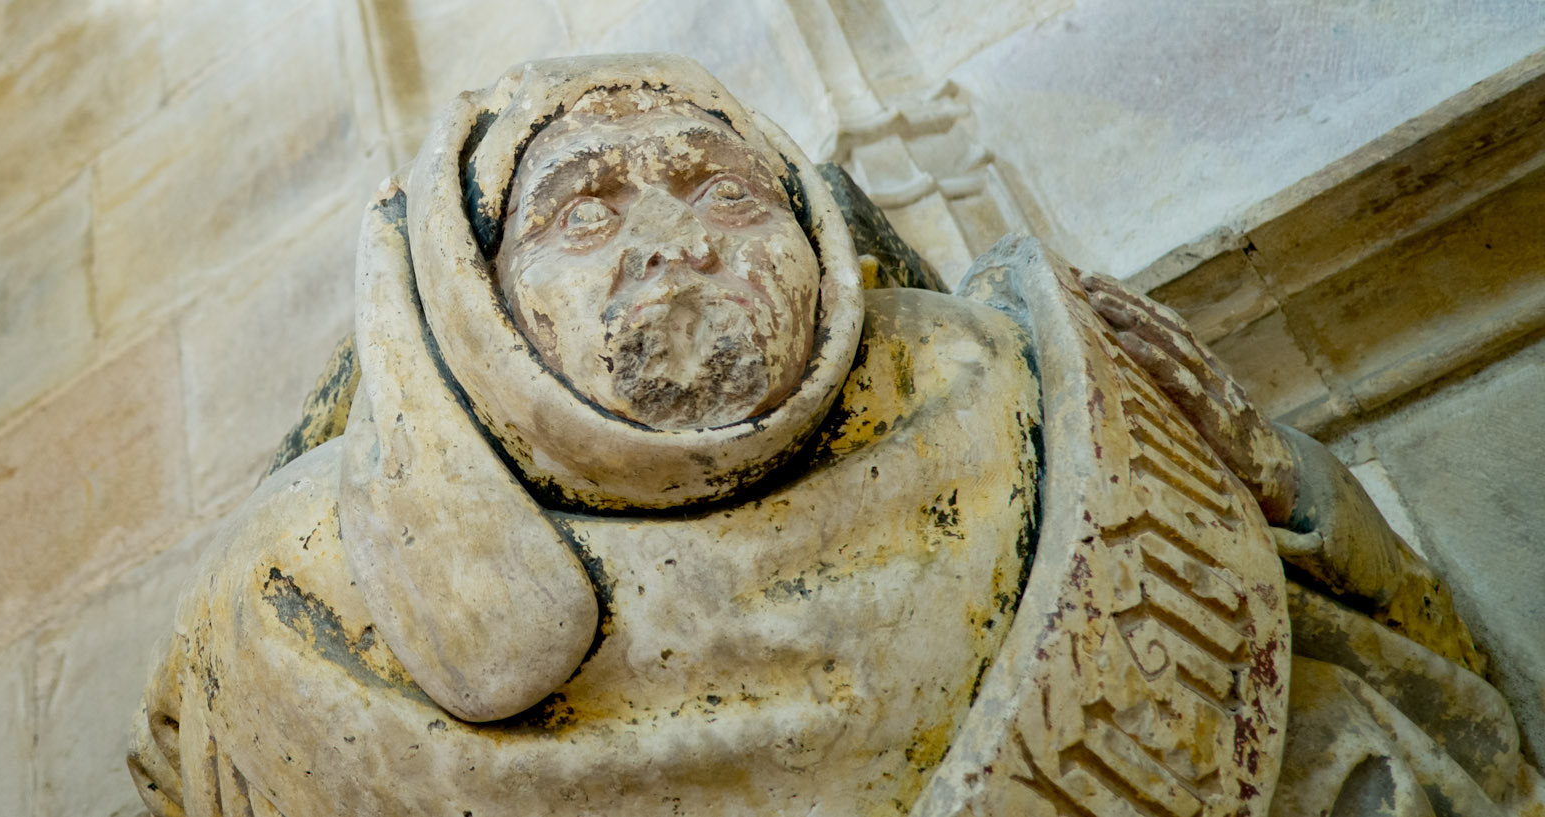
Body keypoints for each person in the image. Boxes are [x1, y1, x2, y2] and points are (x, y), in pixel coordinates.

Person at [130, 55, 1542, 817]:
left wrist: (1279, 485)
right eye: (583, 210)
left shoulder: (1016, 392)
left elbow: (1400, 702)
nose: (671, 241)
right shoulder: (294, 610)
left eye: (722, 189)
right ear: (468, 294)